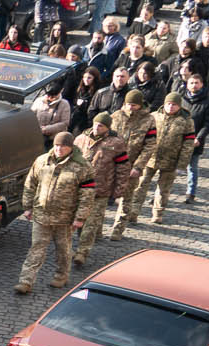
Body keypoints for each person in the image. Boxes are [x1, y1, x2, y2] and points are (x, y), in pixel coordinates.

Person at [13, 132, 92, 295]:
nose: (59, 149)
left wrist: (80, 218)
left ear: (71, 147)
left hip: (65, 219)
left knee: (63, 250)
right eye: (56, 145)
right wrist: (27, 207)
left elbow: (87, 194)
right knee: (36, 249)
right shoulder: (41, 161)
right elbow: (30, 184)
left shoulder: (82, 167)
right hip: (41, 216)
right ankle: (26, 281)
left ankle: (61, 275)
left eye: (63, 146)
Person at [73, 113, 126, 264]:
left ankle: (82, 252)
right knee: (79, 221)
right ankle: (78, 246)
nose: (97, 127)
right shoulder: (80, 139)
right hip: (79, 189)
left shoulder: (116, 143)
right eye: (95, 124)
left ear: (107, 128)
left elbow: (123, 167)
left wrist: (118, 191)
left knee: (91, 222)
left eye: (101, 125)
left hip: (101, 190)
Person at [140, 92, 198, 223]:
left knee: (163, 189)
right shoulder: (154, 116)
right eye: (169, 104)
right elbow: (144, 137)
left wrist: (182, 164)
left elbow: (188, 144)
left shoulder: (186, 121)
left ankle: (158, 214)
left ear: (179, 106)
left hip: (171, 161)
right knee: (140, 185)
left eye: (174, 105)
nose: (171, 107)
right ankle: (133, 211)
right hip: (150, 158)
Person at [107, 89, 156, 234]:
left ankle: (118, 229)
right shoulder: (115, 116)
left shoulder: (149, 120)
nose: (130, 108)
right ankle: (96, 230)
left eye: (134, 105)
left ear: (140, 105)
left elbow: (150, 146)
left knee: (127, 198)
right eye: (128, 104)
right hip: (111, 165)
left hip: (132, 166)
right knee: (103, 197)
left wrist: (139, 166)